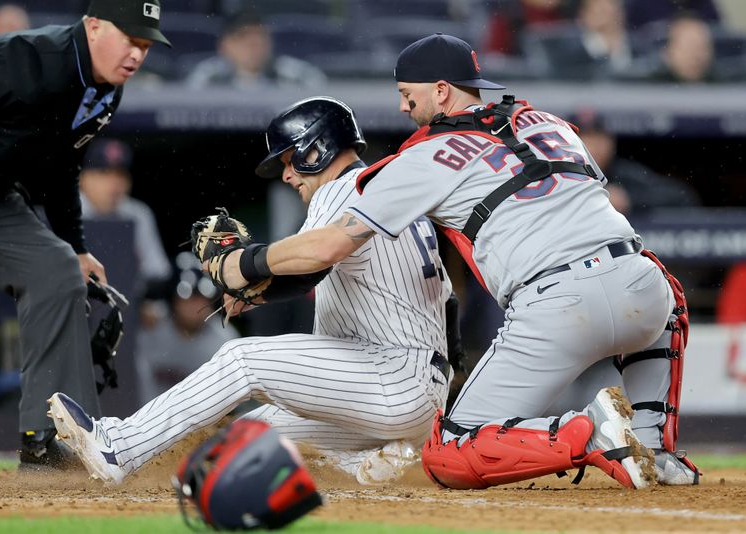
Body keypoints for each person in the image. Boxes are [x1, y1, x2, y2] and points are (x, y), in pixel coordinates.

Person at [208, 34, 699, 488]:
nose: (403, 106)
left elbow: (330, 247)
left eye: (409, 94)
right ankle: (657, 452)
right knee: (665, 296)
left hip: (557, 304)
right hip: (640, 281)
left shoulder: (425, 153)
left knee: (448, 453)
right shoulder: (551, 124)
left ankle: (589, 434)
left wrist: (244, 265)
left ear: (442, 92)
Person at [47, 97, 462, 485]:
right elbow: (442, 301)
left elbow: (314, 257)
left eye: (288, 161)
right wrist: (260, 291)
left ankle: (117, 448)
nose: (285, 174)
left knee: (241, 358)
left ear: (314, 151)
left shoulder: (343, 188)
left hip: (389, 377)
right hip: (405, 390)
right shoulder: (387, 195)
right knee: (247, 436)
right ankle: (364, 463)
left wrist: (243, 263)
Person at [0, 0, 170, 470]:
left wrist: (76, 246)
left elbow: (62, 169)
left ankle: (54, 445)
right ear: (94, 26)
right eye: (130, 39)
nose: (137, 54)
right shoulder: (25, 60)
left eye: (146, 45)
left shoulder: (103, 92)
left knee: (57, 272)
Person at [79, 137, 172, 312]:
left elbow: (157, 272)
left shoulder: (137, 214)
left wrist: (149, 302)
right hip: (76, 302)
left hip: (122, 306)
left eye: (120, 174)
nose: (114, 184)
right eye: (104, 173)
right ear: (83, 178)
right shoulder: (63, 211)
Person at [134, 252, 240, 404]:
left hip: (202, 423)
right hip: (141, 417)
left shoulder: (225, 341)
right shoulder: (150, 325)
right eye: (188, 298)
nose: (195, 307)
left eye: (202, 298)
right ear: (172, 300)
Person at [185, 10, 326, 89]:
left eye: (260, 36)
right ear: (224, 45)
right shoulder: (208, 77)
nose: (254, 44)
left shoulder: (299, 76)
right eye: (243, 37)